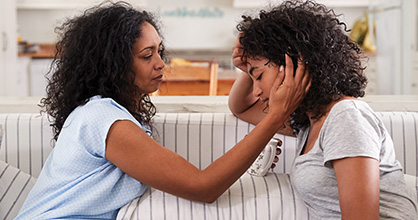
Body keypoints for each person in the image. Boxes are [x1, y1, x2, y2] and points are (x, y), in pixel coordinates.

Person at [15, 1, 310, 219]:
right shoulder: (103, 119)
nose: (161, 63)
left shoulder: (114, 114)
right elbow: (203, 186)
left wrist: (248, 70)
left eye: (159, 51)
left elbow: (239, 107)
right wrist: (274, 118)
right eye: (147, 55)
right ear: (114, 64)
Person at [228, 0, 417, 219]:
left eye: (259, 77)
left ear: (295, 63)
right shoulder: (310, 122)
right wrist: (249, 68)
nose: (257, 91)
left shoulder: (345, 118)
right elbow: (240, 108)